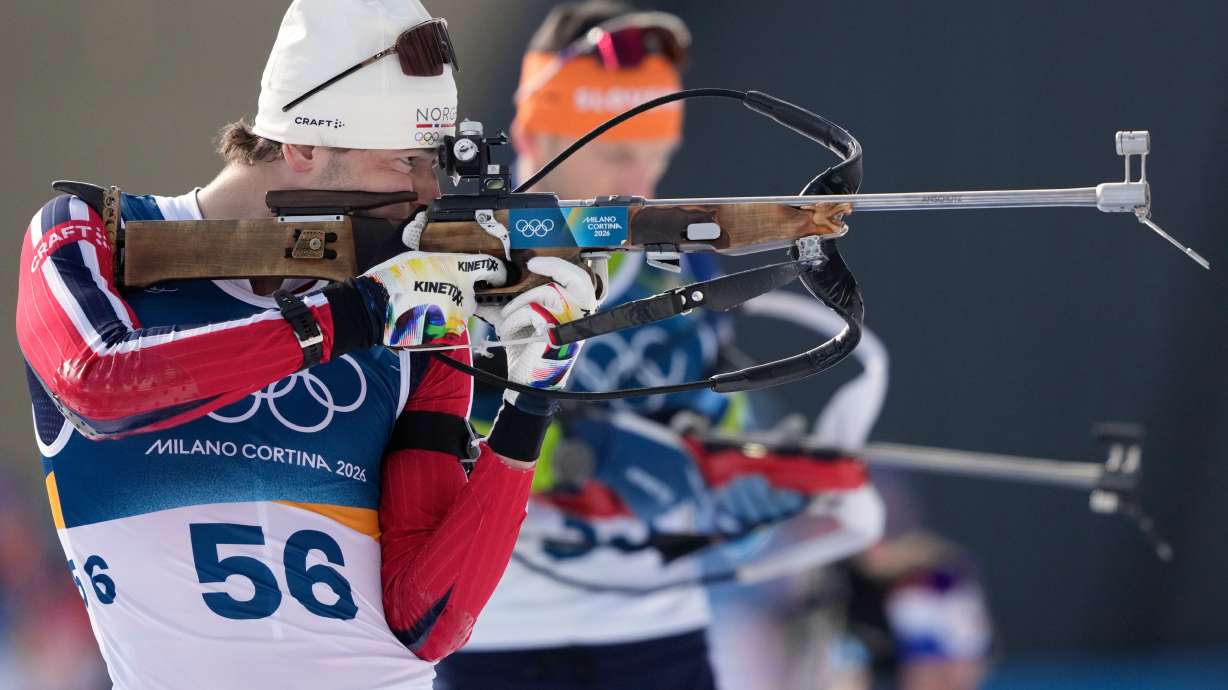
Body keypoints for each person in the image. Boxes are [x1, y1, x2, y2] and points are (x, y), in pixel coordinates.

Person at [14, 1, 597, 688]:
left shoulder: (412, 311)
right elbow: (99, 386)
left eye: (434, 164)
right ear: (303, 147)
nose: (426, 194)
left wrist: (534, 398)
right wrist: (351, 315)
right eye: (405, 161)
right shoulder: (95, 232)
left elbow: (430, 621)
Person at [435, 4, 884, 690]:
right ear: (531, 133)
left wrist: (744, 486)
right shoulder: (452, 267)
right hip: (495, 633)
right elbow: (425, 436)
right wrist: (580, 456)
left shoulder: (681, 271)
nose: (642, 184)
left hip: (657, 630)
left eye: (657, 158)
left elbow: (715, 426)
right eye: (618, 155)